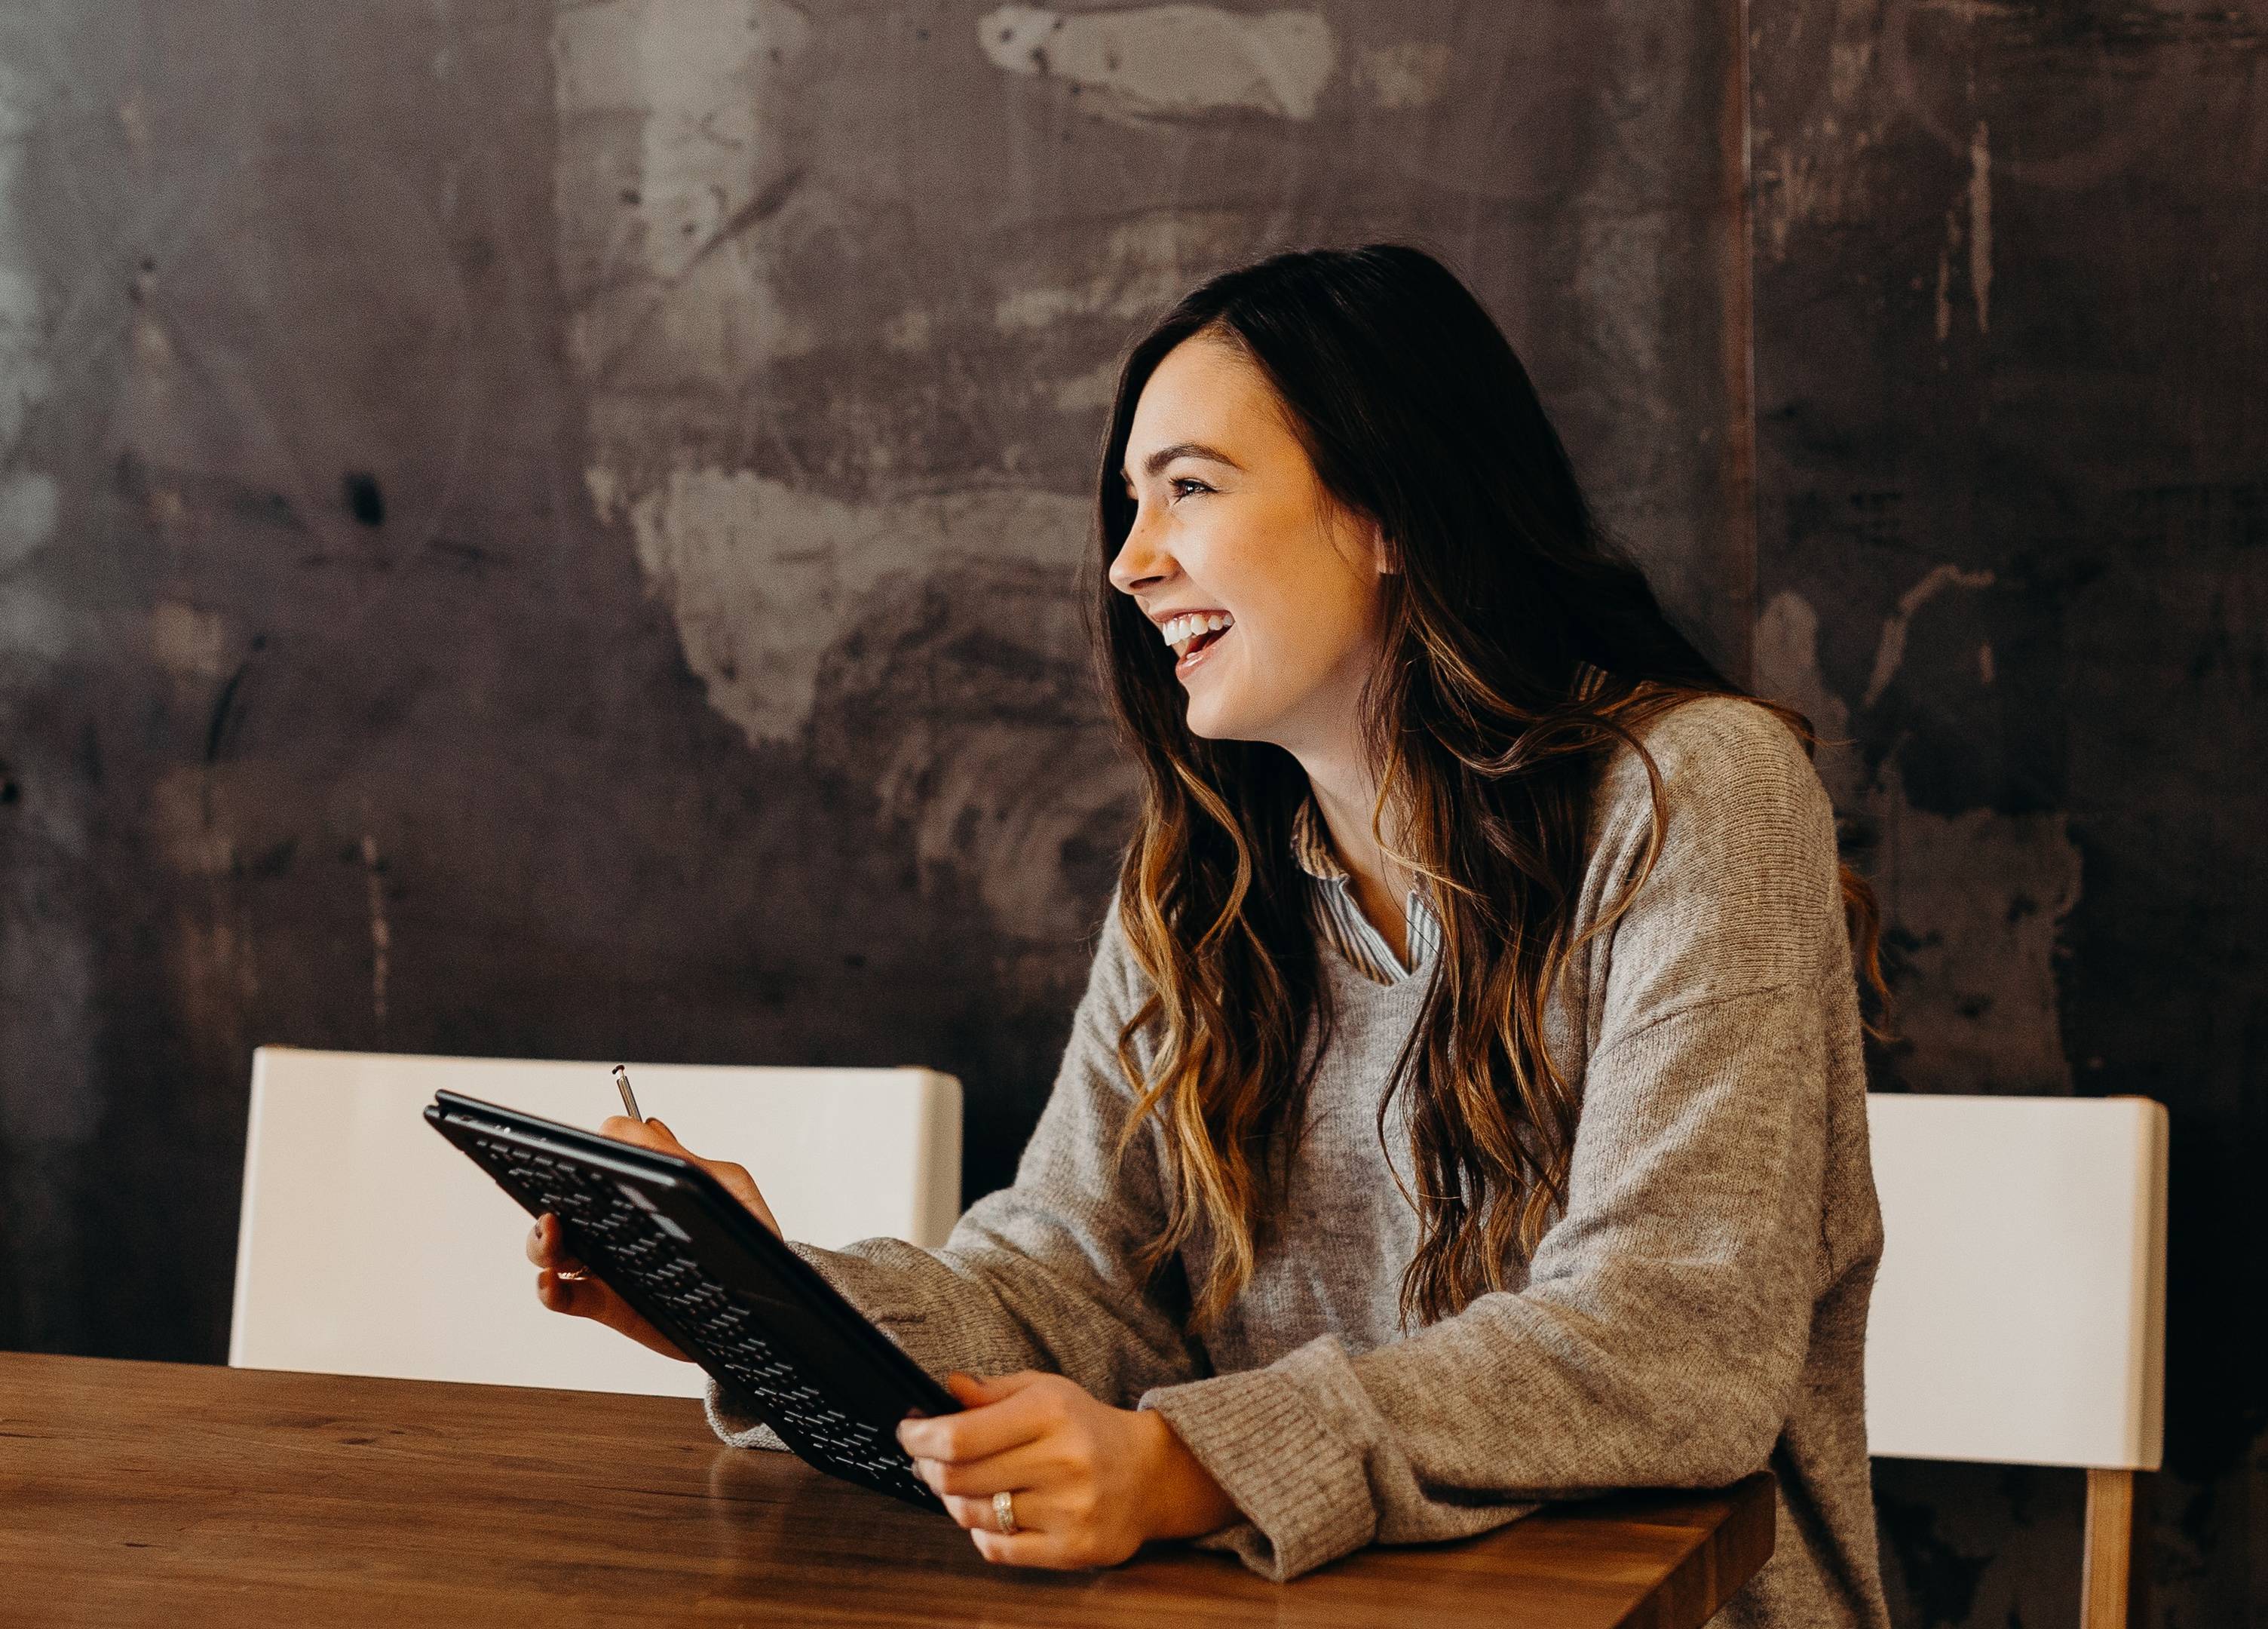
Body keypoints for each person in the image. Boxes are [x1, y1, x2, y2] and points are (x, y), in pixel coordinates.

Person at [526, 244, 1893, 1628]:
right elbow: (1064, 1288)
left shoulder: (1693, 794)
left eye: (1189, 486)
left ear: (1388, 509)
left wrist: (1188, 1466)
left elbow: (1672, 1346)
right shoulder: (1203, 881)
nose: (1129, 563)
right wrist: (767, 1309)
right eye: (1131, 503)